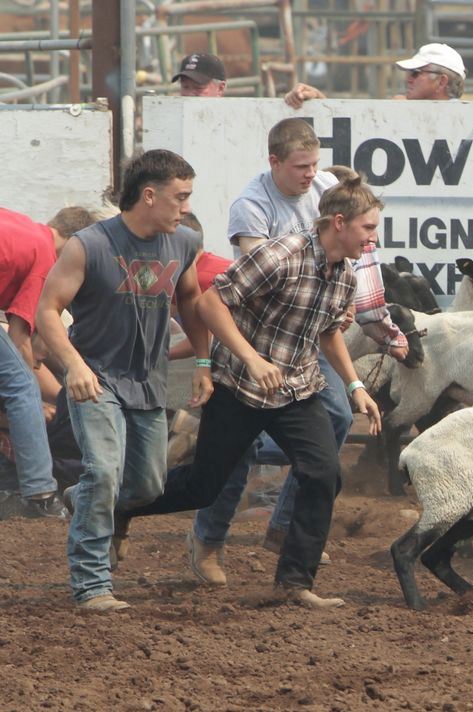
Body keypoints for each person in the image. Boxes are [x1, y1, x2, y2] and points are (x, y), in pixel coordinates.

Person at [122, 175, 384, 610]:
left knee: (323, 472)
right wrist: (251, 359)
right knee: (204, 486)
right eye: (368, 228)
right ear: (339, 222)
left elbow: (327, 333)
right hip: (240, 387)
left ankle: (295, 582)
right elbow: (210, 304)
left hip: (296, 389)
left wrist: (355, 384)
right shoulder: (281, 254)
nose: (373, 239)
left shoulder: (344, 275)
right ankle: (120, 508)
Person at [179, 123, 407, 586]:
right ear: (275, 163)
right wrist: (254, 356)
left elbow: (339, 277)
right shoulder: (254, 206)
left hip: (302, 342)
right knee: (228, 459)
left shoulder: (327, 193)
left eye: (315, 165)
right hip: (256, 343)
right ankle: (209, 537)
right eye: (301, 167)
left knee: (336, 425)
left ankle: (286, 536)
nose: (311, 175)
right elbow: (246, 282)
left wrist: (351, 366)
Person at [36, 150, 212, 612]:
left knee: (148, 486)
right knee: (104, 471)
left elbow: (192, 302)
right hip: (95, 378)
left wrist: (203, 363)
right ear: (149, 195)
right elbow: (47, 310)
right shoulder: (89, 245)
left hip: (148, 382)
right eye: (180, 196)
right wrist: (74, 365)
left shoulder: (184, 243)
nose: (186, 207)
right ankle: (92, 584)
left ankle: (81, 498)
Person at [0, 208, 104, 518]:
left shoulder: (22, 225)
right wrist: (32, 404)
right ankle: (40, 495)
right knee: (21, 386)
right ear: (74, 243)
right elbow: (21, 340)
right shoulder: (46, 255)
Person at [284, 42, 466, 107]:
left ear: (441, 82)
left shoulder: (467, 117)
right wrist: (318, 98)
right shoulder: (400, 107)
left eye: (416, 73)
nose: (408, 78)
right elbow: (352, 126)